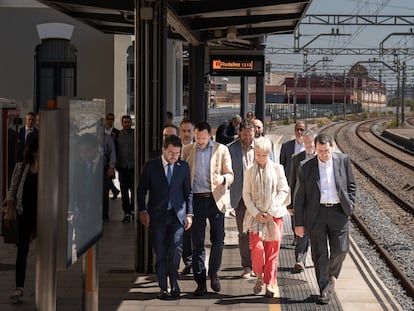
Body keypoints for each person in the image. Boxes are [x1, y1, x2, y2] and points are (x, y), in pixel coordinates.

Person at [294, 133, 356, 305]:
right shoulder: (305, 166)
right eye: (320, 151)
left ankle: (330, 275)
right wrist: (298, 223)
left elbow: (351, 185)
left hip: (338, 212)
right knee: (320, 253)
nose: (324, 154)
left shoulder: (343, 161)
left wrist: (350, 203)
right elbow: (299, 197)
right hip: (317, 215)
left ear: (332, 148)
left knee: (341, 250)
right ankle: (324, 289)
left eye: (327, 151)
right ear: (315, 149)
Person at [181, 121, 234, 295]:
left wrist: (223, 179)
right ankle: (200, 281)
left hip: (215, 199)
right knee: (197, 243)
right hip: (195, 199)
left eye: (204, 138)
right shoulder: (188, 150)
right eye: (198, 138)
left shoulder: (221, 149)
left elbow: (230, 175)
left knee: (218, 239)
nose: (201, 141)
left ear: (209, 135)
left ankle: (214, 272)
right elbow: (182, 174)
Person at [137, 135, 193, 300]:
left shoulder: (183, 167)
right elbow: (141, 190)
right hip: (157, 216)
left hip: (177, 215)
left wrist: (189, 214)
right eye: (171, 153)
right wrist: (142, 210)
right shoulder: (151, 166)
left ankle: (174, 282)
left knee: (176, 248)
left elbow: (188, 192)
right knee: (160, 253)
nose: (174, 156)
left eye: (177, 153)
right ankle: (163, 287)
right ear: (163, 150)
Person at [242, 136, 290, 298]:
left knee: (272, 252)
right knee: (256, 248)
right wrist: (256, 212)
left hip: (273, 216)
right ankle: (259, 274)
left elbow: (283, 190)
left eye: (264, 155)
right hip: (255, 217)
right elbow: (246, 194)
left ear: (269, 154)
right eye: (258, 154)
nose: (261, 158)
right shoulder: (249, 170)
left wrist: (271, 210)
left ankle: (269, 283)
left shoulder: (278, 169)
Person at [5, 138, 39, 302]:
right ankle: (19, 286)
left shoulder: (49, 168)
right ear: (34, 151)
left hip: (43, 215)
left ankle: (44, 283)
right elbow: (12, 191)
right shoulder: (21, 167)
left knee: (46, 251)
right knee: (22, 250)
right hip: (24, 213)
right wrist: (9, 211)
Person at [227, 119, 255, 279]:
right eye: (244, 135)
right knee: (243, 233)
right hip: (240, 198)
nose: (247, 138)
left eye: (250, 135)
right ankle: (247, 266)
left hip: (258, 198)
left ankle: (258, 263)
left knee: (257, 232)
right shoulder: (230, 149)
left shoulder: (261, 147)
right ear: (240, 133)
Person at [288, 130, 316, 273]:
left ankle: (318, 259)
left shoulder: (322, 157)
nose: (309, 144)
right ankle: (300, 260)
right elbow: (291, 181)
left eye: (311, 142)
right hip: (302, 202)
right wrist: (290, 205)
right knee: (302, 233)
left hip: (318, 204)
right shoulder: (296, 158)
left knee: (317, 234)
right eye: (306, 142)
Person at [178, 119, 195, 275]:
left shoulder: (197, 149)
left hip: (196, 195)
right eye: (183, 131)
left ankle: (195, 261)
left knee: (196, 230)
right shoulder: (174, 149)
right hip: (179, 197)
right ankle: (188, 261)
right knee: (184, 231)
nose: (186, 134)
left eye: (189, 131)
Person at [115, 115, 135, 223]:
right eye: (125, 122)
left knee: (134, 190)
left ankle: (133, 210)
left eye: (128, 122)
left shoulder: (136, 134)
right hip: (122, 167)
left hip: (133, 167)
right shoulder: (117, 135)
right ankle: (126, 212)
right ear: (122, 123)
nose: (127, 124)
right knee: (124, 191)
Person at [104, 113, 120, 200]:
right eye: (108, 119)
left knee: (108, 177)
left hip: (112, 157)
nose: (110, 121)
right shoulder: (100, 131)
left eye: (112, 119)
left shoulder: (117, 133)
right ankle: (115, 190)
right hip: (104, 158)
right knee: (107, 178)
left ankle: (115, 190)